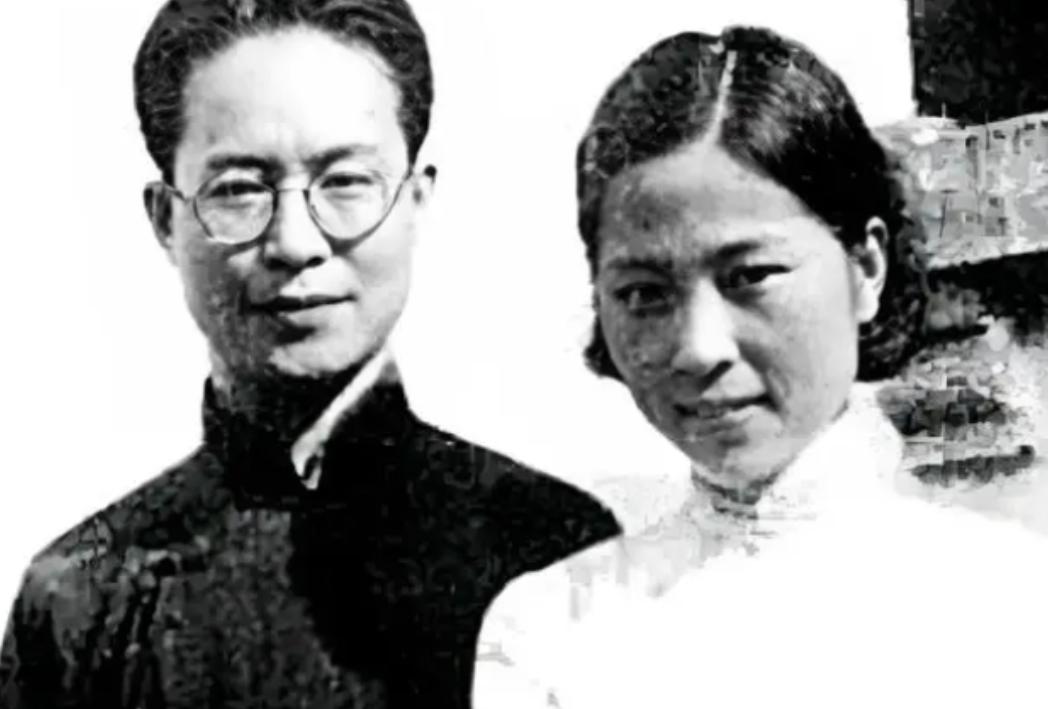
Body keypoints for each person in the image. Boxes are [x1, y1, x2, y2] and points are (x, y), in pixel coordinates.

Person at [0, 1, 620, 707]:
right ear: (165, 219)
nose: (295, 242)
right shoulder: (81, 598)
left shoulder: (553, 550)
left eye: (346, 181)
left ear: (417, 200)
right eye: (238, 190)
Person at [473, 26, 1048, 709]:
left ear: (866, 266)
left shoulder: (1013, 603)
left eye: (749, 275)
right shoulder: (554, 630)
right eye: (644, 294)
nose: (699, 347)